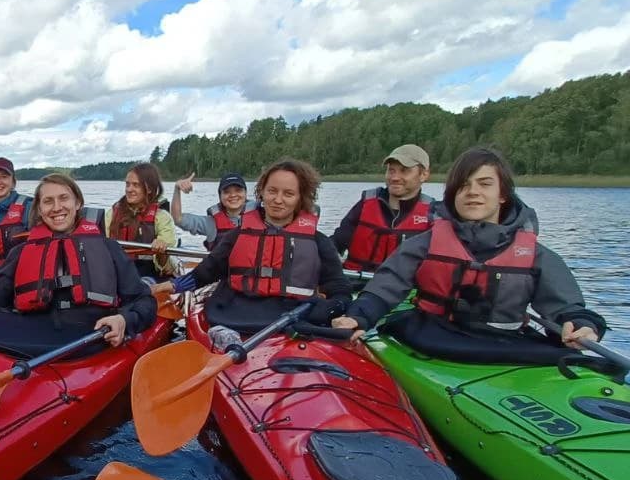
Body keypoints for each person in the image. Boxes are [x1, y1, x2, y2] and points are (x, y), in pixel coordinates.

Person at [332, 147, 604, 353]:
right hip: (430, 336)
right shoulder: (426, 243)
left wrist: (580, 324)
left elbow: (567, 306)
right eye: (463, 185)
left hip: (505, 346)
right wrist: (359, 316)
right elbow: (386, 287)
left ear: (502, 194)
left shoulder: (535, 254)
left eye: (484, 184)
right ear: (453, 195)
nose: (472, 192)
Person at [0, 173, 156, 352]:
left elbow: (144, 300)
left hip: (88, 334)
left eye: (64, 198)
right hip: (32, 330)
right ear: (39, 209)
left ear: (78, 202)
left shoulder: (108, 248)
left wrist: (124, 320)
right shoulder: (21, 251)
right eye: (48, 201)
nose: (57, 207)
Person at [151, 159, 353, 333]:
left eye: (288, 194)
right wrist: (170, 286)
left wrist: (338, 311)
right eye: (272, 191)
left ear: (301, 198)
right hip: (234, 315)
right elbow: (206, 272)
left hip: (294, 319)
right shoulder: (237, 235)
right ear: (261, 193)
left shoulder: (318, 242)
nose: (278, 200)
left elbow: (340, 289)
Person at [330, 144, 435, 272]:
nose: (395, 178)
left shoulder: (433, 214)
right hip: (355, 284)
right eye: (391, 170)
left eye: (404, 170)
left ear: (424, 175)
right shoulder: (365, 204)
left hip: (402, 290)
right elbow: (335, 244)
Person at [104, 162, 176, 279]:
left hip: (148, 274)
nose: (129, 189)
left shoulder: (161, 217)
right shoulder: (112, 213)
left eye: (135, 185)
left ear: (149, 189)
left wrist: (161, 247)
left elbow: (163, 263)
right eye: (127, 184)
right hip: (117, 270)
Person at [171, 172, 254, 248]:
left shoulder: (261, 214)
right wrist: (177, 189)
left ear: (245, 193)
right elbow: (178, 219)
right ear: (220, 196)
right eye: (226, 192)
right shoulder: (211, 223)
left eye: (238, 190)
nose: (233, 195)